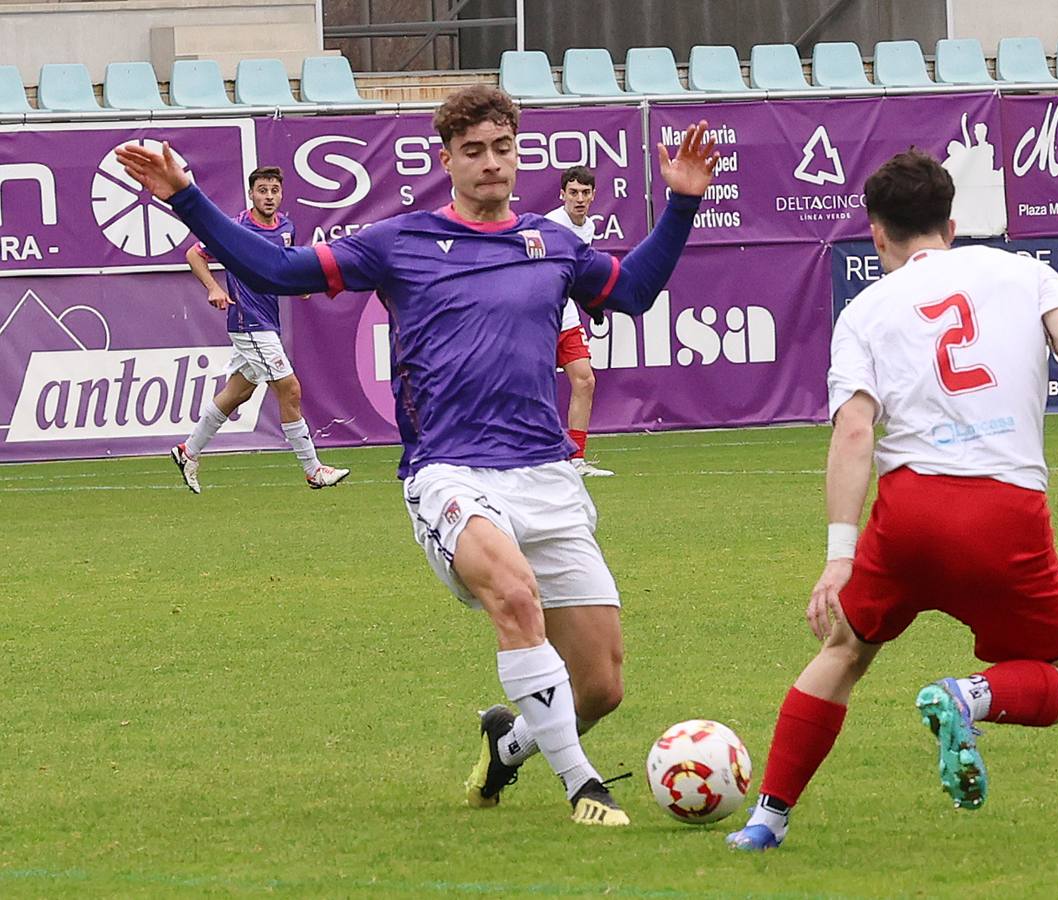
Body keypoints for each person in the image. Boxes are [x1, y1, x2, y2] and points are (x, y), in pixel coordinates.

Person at [116, 85, 720, 827]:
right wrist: (186, 197)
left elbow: (637, 291)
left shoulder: (551, 243)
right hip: (450, 471)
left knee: (599, 686)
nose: (491, 163)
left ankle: (512, 746)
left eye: (503, 148)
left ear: (517, 152)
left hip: (545, 474)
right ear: (448, 160)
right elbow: (280, 272)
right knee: (514, 596)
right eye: (474, 151)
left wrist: (684, 201)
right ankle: (582, 785)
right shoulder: (398, 241)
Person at [726, 149, 1058, 852]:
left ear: (877, 234)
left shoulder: (863, 311)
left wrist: (838, 556)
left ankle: (767, 818)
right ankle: (968, 698)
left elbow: (855, 430)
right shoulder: (1023, 272)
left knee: (846, 648)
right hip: (1005, 512)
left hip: (909, 513)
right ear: (952, 223)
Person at [175, 165, 350, 493]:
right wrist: (213, 287)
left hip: (268, 320)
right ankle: (313, 470)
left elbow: (282, 266)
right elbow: (194, 254)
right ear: (251, 194)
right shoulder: (235, 228)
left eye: (274, 190)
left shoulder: (286, 226)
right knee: (291, 389)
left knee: (238, 392)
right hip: (248, 320)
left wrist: (300, 283)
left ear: (281, 194)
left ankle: (188, 451)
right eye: (262, 190)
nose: (269, 196)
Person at [544, 165, 612, 477]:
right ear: (562, 195)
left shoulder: (588, 228)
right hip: (537, 316)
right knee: (528, 388)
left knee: (585, 380)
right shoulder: (550, 226)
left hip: (566, 314)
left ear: (593, 195)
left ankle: (576, 461)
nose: (579, 198)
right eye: (573, 192)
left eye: (585, 193)